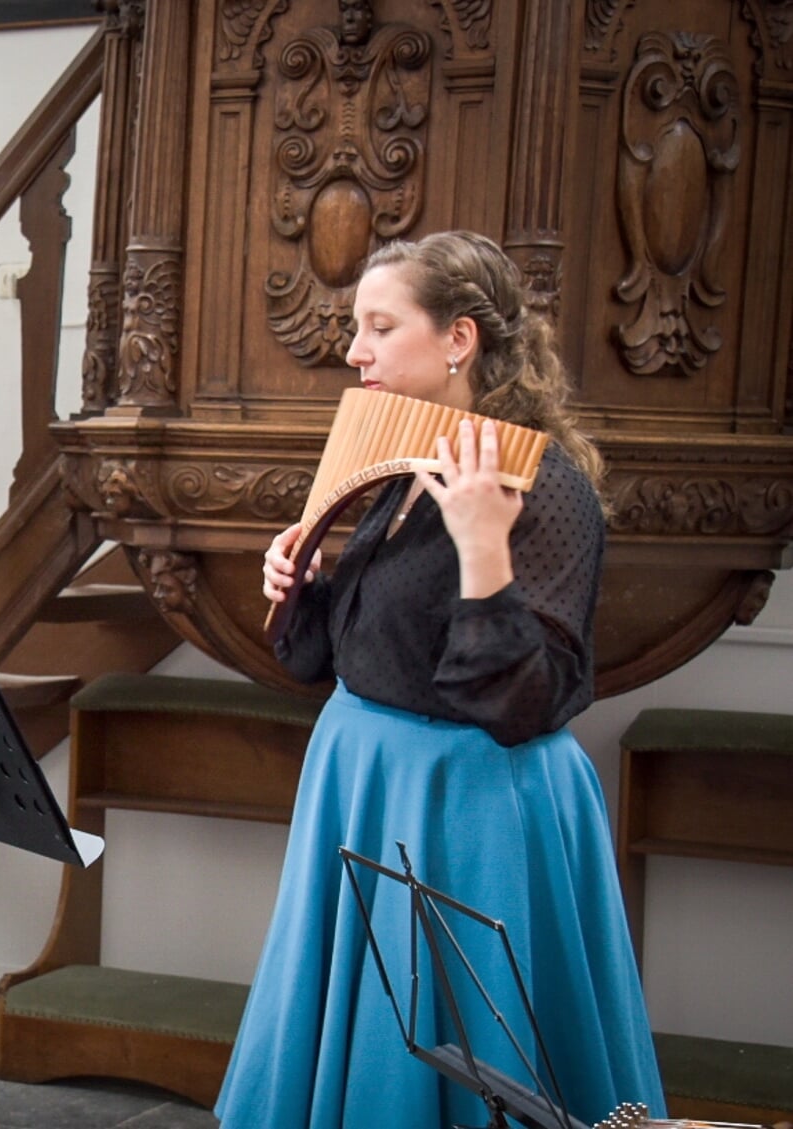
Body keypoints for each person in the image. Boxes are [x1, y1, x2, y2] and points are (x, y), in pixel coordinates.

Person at [216, 231, 666, 1128]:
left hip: (470, 807)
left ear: (459, 339)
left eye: (381, 326)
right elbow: (332, 659)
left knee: (469, 1059)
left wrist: (484, 549)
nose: (355, 351)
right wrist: (306, 591)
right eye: (358, 328)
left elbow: (526, 704)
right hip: (365, 781)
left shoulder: (548, 485)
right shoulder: (400, 465)